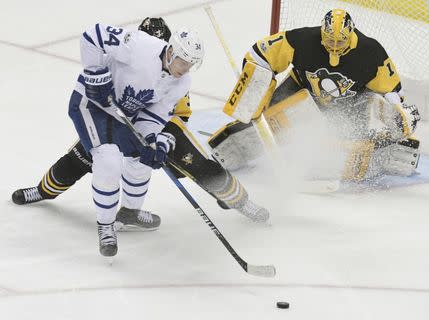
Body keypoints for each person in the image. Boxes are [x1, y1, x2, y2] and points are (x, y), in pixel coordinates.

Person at [12, 18, 269, 257]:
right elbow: (96, 41)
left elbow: (177, 115)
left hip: (167, 127)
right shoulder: (135, 49)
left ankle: (240, 201)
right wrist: (97, 77)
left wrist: (160, 141)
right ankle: (44, 191)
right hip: (120, 117)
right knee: (84, 156)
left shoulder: (178, 79)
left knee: (198, 163)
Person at [208, 9, 421, 181]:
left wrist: (399, 113)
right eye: (330, 40)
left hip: (349, 104)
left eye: (340, 42)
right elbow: (260, 53)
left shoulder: (370, 51)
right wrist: (255, 85)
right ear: (322, 32)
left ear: (351, 34)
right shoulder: (303, 39)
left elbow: (392, 89)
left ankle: (390, 153)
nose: (334, 47)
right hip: (300, 89)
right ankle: (231, 146)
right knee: (272, 122)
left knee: (351, 153)